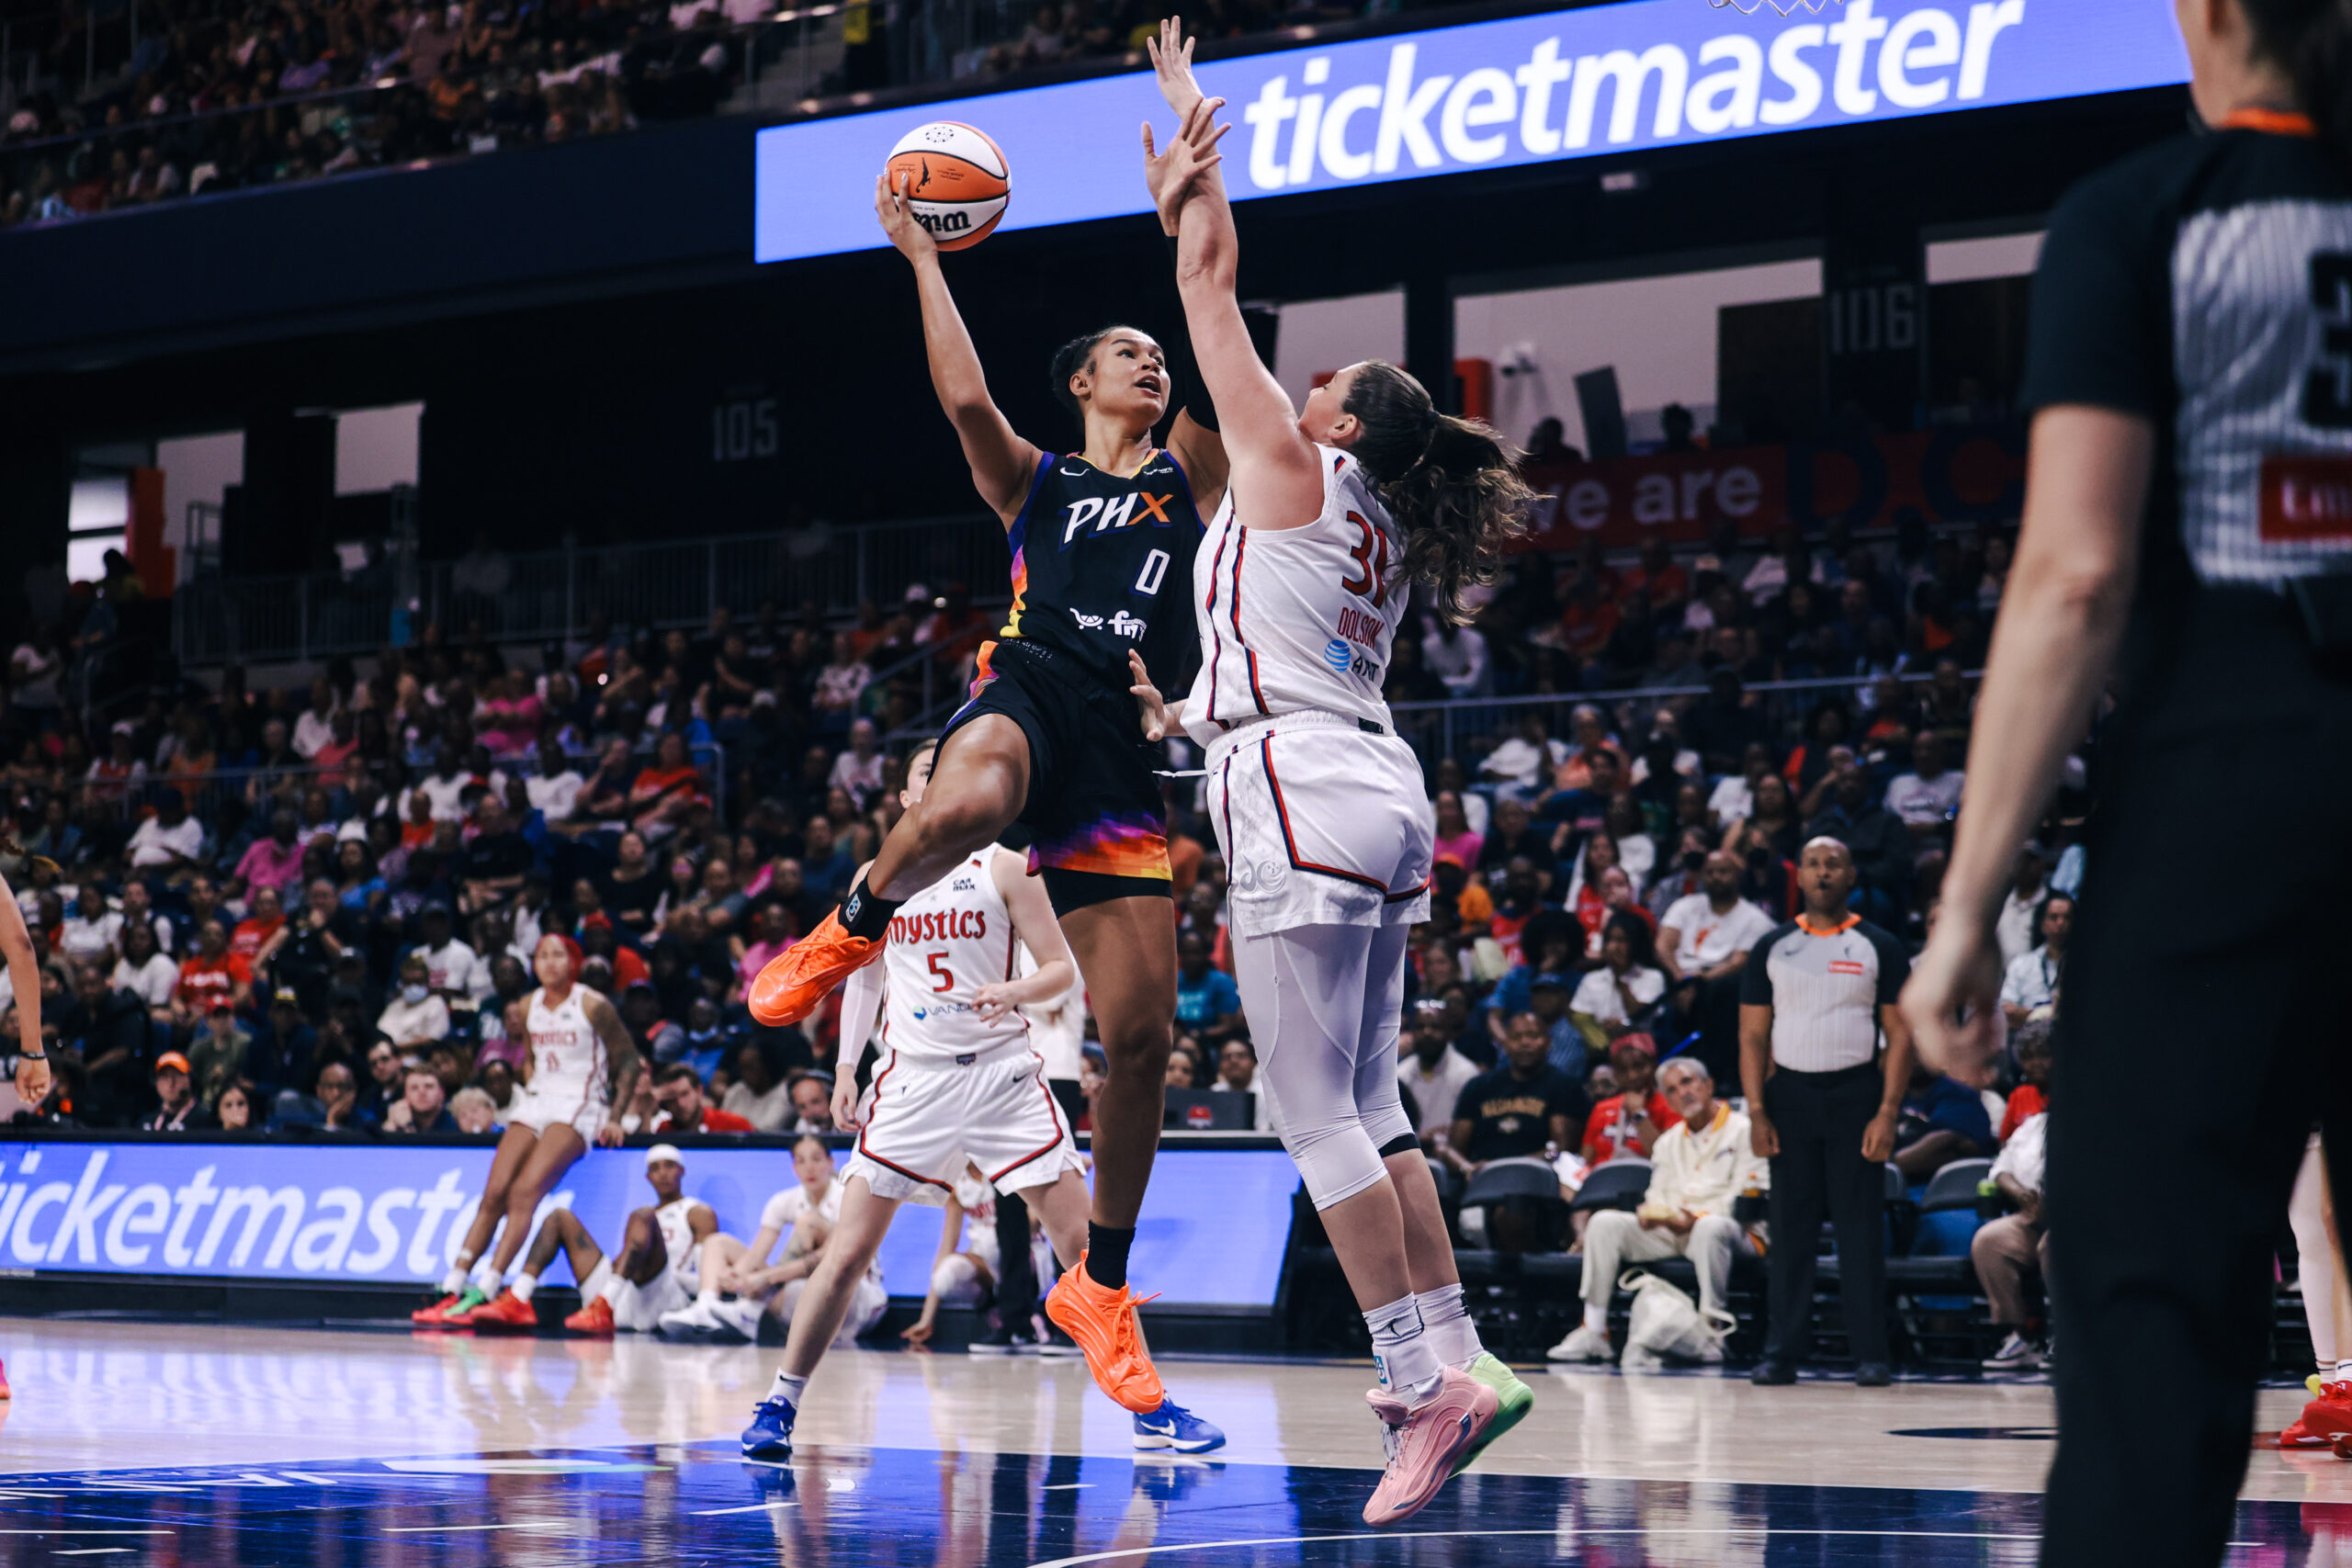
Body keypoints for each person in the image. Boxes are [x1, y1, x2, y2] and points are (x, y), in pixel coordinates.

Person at [1900, 7, 2352, 1552]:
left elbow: (2078, 571)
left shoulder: (2144, 213)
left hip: (2231, 792)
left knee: (2153, 1331)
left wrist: (1969, 907)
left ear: (2210, 15)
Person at [745, 42, 1240, 1420]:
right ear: (1084, 384)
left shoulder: (1190, 478)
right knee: (960, 807)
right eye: (1125, 355)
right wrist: (919, 255)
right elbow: (965, 398)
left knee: (1141, 1037)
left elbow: (1216, 320)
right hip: (1029, 685)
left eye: (1153, 355)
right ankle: (847, 922)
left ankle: (1104, 1287)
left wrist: (1191, 199)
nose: (1148, 361)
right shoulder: (1043, 479)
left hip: (1116, 749)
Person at [1121, 40, 1547, 1525]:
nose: (1301, 386)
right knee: (1368, 1103)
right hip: (1363, 779)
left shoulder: (1295, 467)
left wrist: (1192, 165)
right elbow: (1273, 642)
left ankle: (1413, 1375)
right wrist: (1188, 705)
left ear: (1349, 425)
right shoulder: (1351, 512)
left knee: (1311, 1113)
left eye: (1330, 384)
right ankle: (1460, 1360)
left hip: (1301, 789)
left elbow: (1210, 290)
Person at [737, 740, 1223, 1460]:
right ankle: (780, 1400)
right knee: (846, 1251)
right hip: (911, 1080)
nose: (940, 782)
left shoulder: (1005, 865)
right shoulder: (880, 874)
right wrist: (847, 1068)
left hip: (1003, 1077)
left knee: (1085, 1249)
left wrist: (1013, 990)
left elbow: (1060, 970)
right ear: (906, 800)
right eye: (924, 775)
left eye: (949, 771)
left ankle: (1149, 1409)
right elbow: (861, 975)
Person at [1739, 836, 1913, 1387]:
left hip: (1857, 1096)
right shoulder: (1772, 945)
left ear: (1850, 874)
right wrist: (1758, 1111)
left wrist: (1887, 1111)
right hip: (1788, 1097)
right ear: (1800, 875)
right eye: (1812, 863)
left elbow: (1900, 1034)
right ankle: (1781, 1352)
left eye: (1833, 863)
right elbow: (1751, 1037)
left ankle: (1872, 1354)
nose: (1821, 872)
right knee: (1789, 1232)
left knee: (1860, 1230)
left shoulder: (1878, 944)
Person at [413, 933, 640, 1327]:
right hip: (538, 1099)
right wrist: (535, 1085)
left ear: (573, 962)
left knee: (523, 1193)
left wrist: (616, 1115)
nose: (550, 963)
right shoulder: (526, 1005)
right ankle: (453, 1286)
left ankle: (492, 1288)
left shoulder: (593, 1004)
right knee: (493, 1193)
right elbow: (531, 1059)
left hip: (579, 1103)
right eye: (542, 956)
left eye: (558, 956)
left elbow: (629, 1062)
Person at [1549, 1056, 1767, 1366]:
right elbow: (1657, 1194)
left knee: (1710, 1227)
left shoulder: (1744, 1130)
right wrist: (1652, 1212)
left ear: (1709, 1086)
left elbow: (1749, 1196)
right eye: (1673, 1089)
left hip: (1735, 1231)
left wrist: (1696, 1217)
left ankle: (1711, 1332)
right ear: (1668, 1101)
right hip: (1677, 1228)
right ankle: (1594, 1331)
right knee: (1605, 1222)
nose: (1684, 1092)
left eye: (1689, 1082)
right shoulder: (1668, 1142)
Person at [507, 1145, 718, 1335]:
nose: (663, 1173)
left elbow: (706, 1278)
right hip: (624, 1289)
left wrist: (682, 1279)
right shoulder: (644, 1212)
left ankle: (604, 1302)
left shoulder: (697, 1212)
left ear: (682, 1171)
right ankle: (518, 1296)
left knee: (643, 1215)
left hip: (663, 1293)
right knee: (560, 1217)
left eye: (669, 1166)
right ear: (648, 1177)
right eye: (656, 1168)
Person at [1656, 851, 1776, 1084]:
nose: (1716, 877)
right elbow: (1662, 946)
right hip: (1678, 980)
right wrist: (1682, 979)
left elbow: (1738, 962)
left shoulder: (1754, 918)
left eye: (1723, 871)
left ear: (1738, 876)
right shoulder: (1685, 906)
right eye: (1710, 872)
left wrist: (1700, 981)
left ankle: (1719, 1078)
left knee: (1726, 989)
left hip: (1719, 985)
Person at [1975, 1087, 2053, 1374]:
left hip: (2078, 1218)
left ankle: (2065, 1335)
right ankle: (2020, 1337)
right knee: (1990, 1240)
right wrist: (2022, 1195)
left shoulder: (2099, 1125)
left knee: (2055, 1246)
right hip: (2030, 1213)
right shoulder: (2033, 1125)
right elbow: (2000, 1169)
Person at [1997, 892, 2071, 1027]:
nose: (2060, 923)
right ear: (2042, 923)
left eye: (2067, 918)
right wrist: (2041, 1014)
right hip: (2028, 1039)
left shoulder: (2087, 967)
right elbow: (2006, 1011)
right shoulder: (2021, 964)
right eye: (2054, 917)